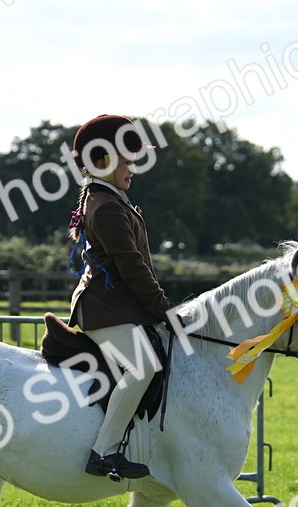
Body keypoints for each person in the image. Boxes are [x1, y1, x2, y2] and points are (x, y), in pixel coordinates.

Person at [66, 114, 171, 481]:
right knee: (144, 366)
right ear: (102, 162)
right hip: (103, 310)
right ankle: (104, 451)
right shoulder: (107, 205)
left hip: (114, 308)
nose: (132, 168)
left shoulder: (109, 197)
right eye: (126, 160)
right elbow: (133, 267)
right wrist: (164, 310)